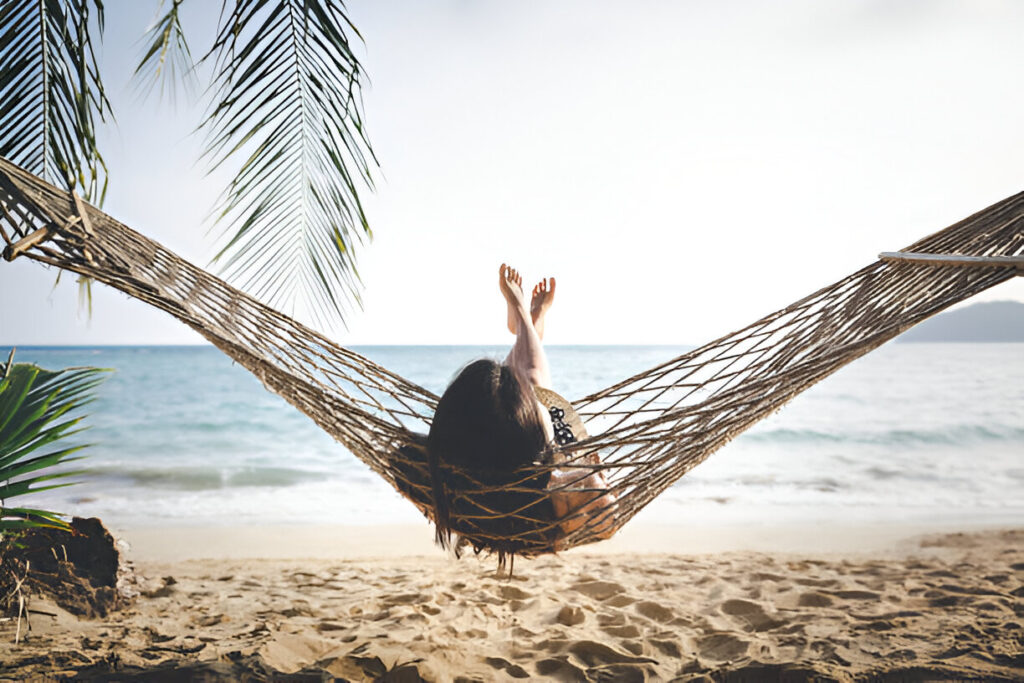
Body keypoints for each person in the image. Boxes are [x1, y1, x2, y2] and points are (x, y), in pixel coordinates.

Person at [425, 264, 616, 556]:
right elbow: (608, 521)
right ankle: (525, 321)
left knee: (531, 383)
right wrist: (594, 478)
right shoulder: (553, 477)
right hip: (528, 454)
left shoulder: (451, 474)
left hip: (491, 457)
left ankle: (526, 323)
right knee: (535, 383)